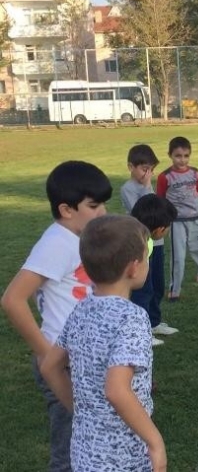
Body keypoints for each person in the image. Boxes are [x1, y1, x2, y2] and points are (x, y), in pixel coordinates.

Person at [0, 160, 111, 471]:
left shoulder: (76, 238)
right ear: (67, 210)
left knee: (88, 438)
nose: (102, 212)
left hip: (80, 358)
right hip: (62, 363)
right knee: (69, 448)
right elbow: (13, 300)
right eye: (94, 205)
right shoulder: (56, 243)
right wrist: (47, 354)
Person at [40, 215, 166, 472]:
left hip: (85, 453)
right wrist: (155, 443)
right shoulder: (133, 318)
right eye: (146, 255)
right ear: (133, 267)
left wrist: (82, 411)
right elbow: (117, 390)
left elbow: (50, 367)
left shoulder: (81, 309)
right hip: (123, 456)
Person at [121, 144, 178, 345]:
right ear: (131, 167)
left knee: (157, 285)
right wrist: (147, 186)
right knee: (143, 288)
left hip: (157, 242)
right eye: (144, 169)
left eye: (151, 169)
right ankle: (143, 330)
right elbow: (143, 211)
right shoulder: (128, 189)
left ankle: (154, 322)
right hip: (142, 244)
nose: (149, 173)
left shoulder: (147, 184)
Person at [156, 136, 198, 301]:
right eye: (178, 156)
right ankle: (174, 290)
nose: (182, 160)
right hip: (176, 223)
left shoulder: (195, 173)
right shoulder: (165, 177)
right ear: (170, 155)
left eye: (186, 156)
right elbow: (161, 199)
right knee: (178, 258)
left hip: (197, 220)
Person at [131, 194, 179, 345]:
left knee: (151, 291)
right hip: (135, 278)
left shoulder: (145, 238)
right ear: (159, 229)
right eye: (168, 226)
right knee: (141, 297)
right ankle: (142, 333)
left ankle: (153, 324)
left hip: (141, 272)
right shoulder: (138, 241)